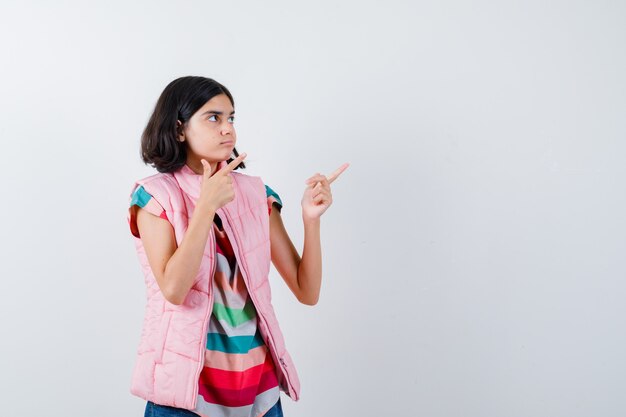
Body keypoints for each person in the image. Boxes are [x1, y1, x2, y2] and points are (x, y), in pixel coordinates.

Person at [126, 76, 349, 417]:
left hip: (259, 394)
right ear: (179, 129)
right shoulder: (156, 197)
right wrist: (205, 207)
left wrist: (311, 219)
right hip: (186, 398)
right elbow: (174, 289)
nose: (227, 128)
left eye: (231, 118)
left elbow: (307, 291)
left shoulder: (256, 195)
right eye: (213, 117)